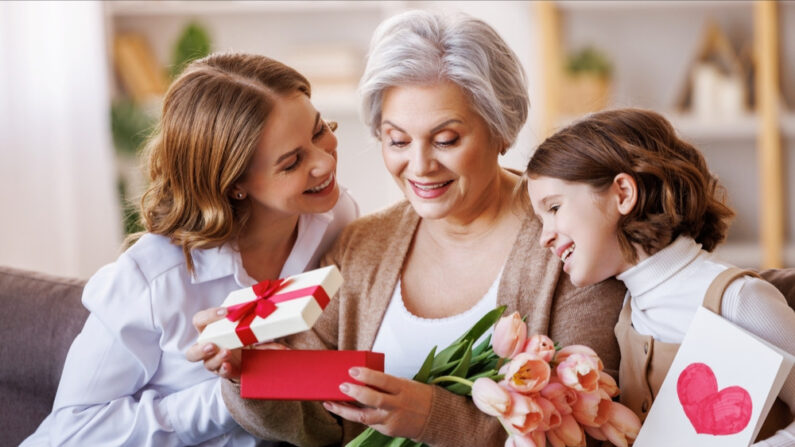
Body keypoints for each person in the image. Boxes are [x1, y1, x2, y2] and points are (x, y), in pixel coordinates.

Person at [189, 10, 625, 446]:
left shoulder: (572, 244)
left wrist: (434, 417)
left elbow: (588, 429)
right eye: (397, 140)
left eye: (446, 139)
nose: (419, 166)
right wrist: (250, 372)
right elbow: (314, 421)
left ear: (501, 129)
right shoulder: (362, 247)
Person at [21, 52, 358, 446]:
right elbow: (70, 434)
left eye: (319, 131)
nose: (324, 162)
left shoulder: (334, 218)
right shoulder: (153, 278)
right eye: (292, 162)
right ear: (234, 182)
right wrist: (233, 393)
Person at [525, 108, 795, 446]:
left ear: (622, 193)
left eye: (553, 209)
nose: (544, 236)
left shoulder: (737, 298)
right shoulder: (627, 311)